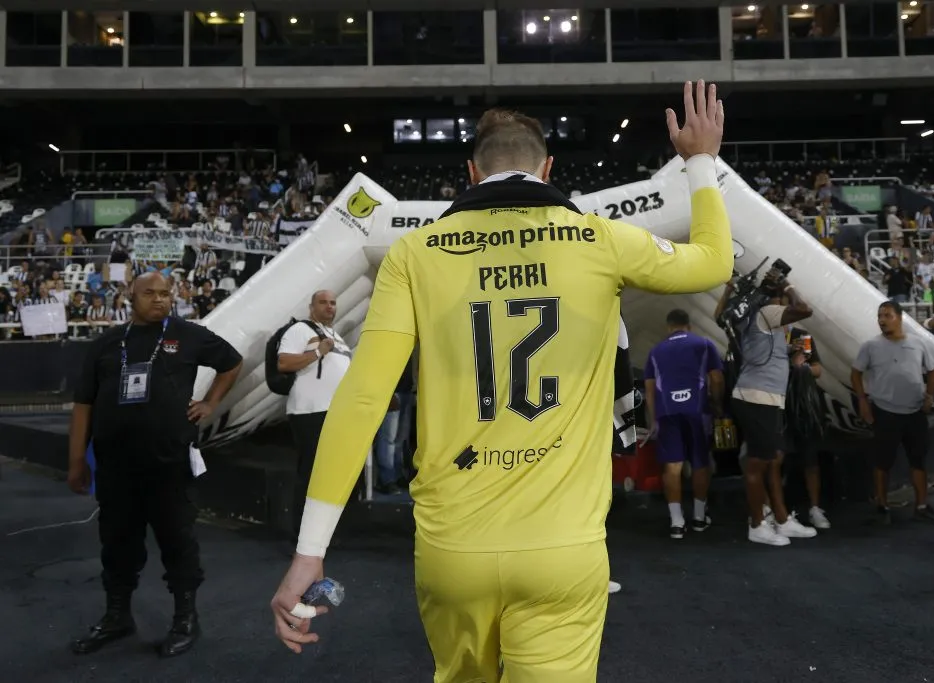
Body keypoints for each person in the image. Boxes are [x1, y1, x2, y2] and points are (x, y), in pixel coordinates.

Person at [271, 80, 733, 682]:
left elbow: (362, 401)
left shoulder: (416, 253)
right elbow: (714, 261)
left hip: (452, 548)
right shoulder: (599, 239)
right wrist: (699, 161)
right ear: (548, 167)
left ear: (471, 171)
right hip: (562, 550)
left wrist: (310, 553)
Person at [67, 272, 242, 657]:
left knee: (177, 540)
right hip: (115, 467)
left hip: (168, 464)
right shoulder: (107, 344)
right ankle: (117, 616)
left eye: (166, 294)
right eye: (150, 293)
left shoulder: (189, 334)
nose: (159, 300)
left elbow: (231, 362)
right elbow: (84, 404)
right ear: (131, 295)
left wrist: (211, 402)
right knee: (116, 542)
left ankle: (185, 619)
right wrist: (77, 458)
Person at [718, 277, 818, 546]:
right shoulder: (767, 311)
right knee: (757, 464)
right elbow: (805, 308)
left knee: (772, 458)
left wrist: (786, 351)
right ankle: (757, 525)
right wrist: (788, 286)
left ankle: (782, 519)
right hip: (758, 399)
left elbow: (721, 317)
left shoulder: (753, 316)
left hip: (762, 399)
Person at [851, 300, 934, 526]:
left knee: (918, 460)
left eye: (887, 315)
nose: (882, 320)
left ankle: (922, 505)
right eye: (879, 316)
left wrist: (929, 397)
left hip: (914, 413)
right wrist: (863, 401)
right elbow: (855, 374)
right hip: (885, 412)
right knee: (882, 462)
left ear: (900, 317)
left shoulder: (918, 343)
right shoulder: (870, 346)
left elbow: (933, 372)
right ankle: (882, 506)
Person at [276, 290, 353, 539]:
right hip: (310, 411)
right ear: (311, 307)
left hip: (335, 412)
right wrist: (319, 352)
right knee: (310, 473)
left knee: (330, 474)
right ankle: (302, 536)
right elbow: (284, 363)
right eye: (323, 302)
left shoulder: (336, 335)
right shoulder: (300, 330)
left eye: (333, 303)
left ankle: (322, 533)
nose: (329, 307)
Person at [642, 309, 724, 538]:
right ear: (689, 326)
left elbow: (649, 388)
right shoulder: (704, 344)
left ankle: (677, 522)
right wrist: (717, 405)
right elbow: (716, 378)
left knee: (672, 465)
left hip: (667, 412)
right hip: (698, 410)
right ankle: (699, 517)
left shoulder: (655, 351)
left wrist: (654, 419)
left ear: (669, 327)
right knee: (700, 462)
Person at [784, 328, 831, 529]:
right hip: (777, 404)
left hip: (804, 407)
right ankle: (778, 512)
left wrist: (800, 369)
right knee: (777, 461)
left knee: (810, 459)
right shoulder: (765, 335)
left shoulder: (801, 336)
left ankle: (815, 508)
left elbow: (817, 370)